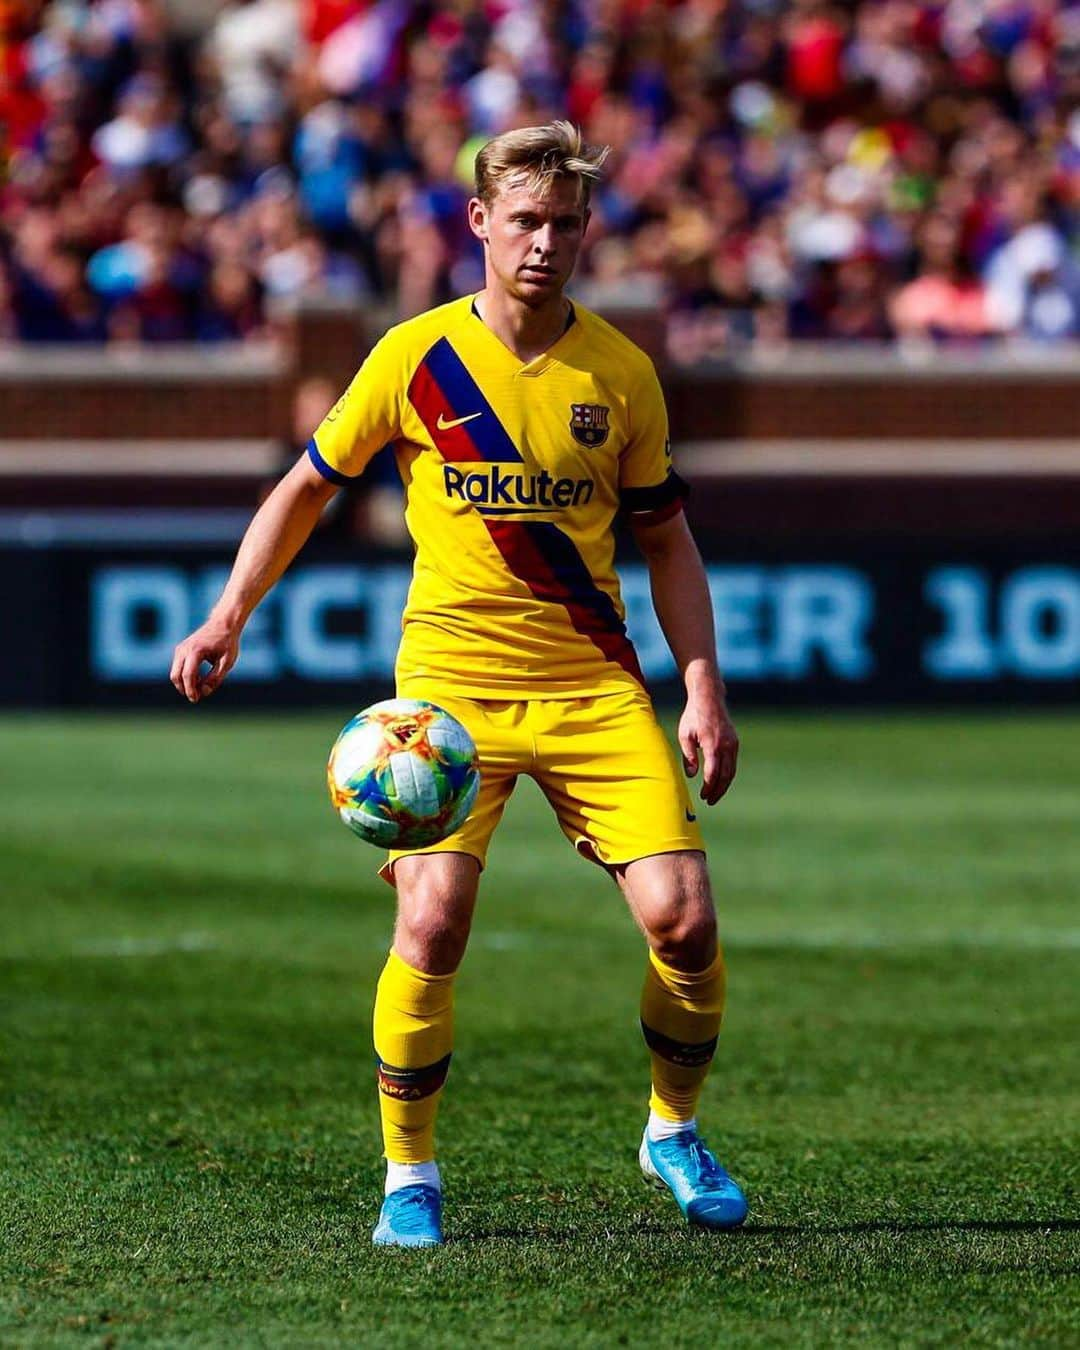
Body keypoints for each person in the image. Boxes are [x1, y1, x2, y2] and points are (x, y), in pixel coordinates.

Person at [170, 121, 747, 1248]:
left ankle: (671, 1130)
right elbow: (304, 488)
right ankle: (410, 1176)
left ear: (586, 233)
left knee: (683, 923)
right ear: (479, 224)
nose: (544, 243)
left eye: (565, 223)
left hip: (590, 681)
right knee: (431, 923)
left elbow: (668, 542)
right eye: (523, 220)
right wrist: (228, 612)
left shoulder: (620, 375)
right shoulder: (412, 357)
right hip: (448, 690)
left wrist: (704, 688)